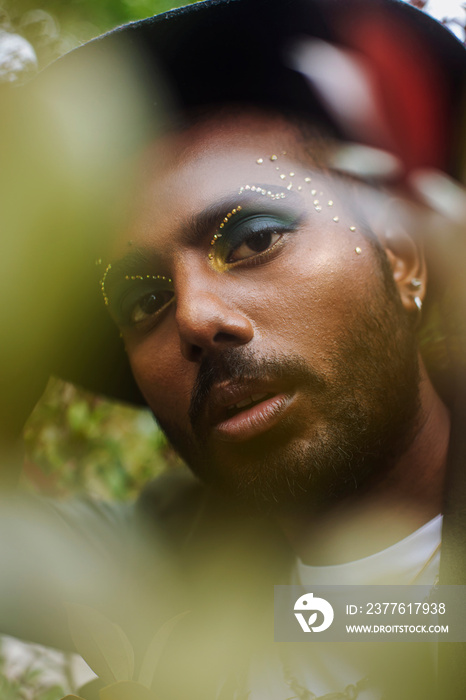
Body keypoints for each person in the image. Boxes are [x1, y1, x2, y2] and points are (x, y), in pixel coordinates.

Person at [3, 0, 466, 699]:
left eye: (254, 239)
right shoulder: (155, 588)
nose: (194, 316)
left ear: (401, 258)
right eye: (142, 301)